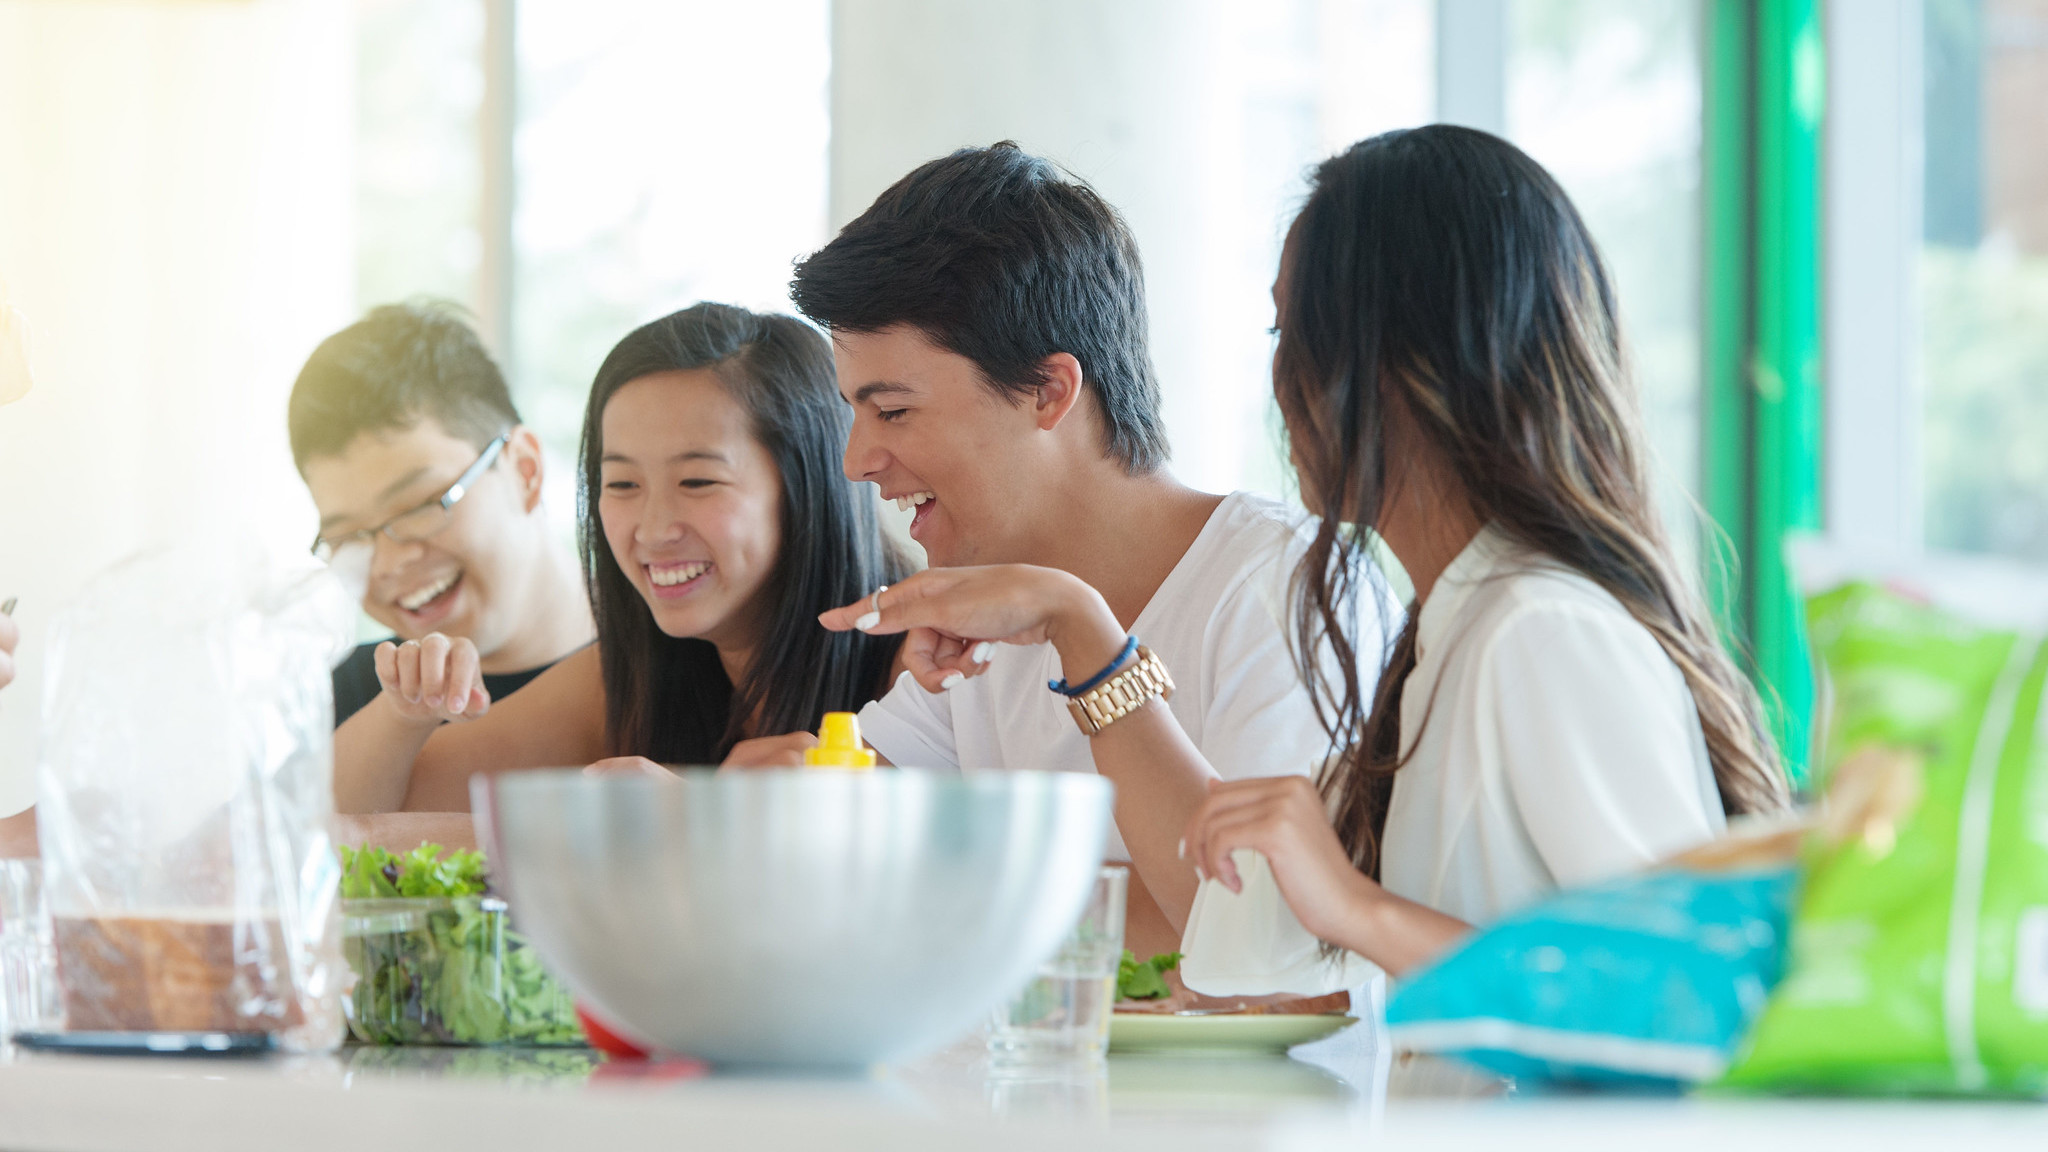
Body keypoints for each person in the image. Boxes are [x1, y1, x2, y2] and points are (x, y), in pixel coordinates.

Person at [834, 126, 1792, 987]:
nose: (1280, 381)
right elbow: (1234, 945)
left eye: (1294, 333)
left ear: (1405, 364)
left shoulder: (1539, 629)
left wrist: (1361, 911)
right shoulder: (1445, 637)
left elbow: (1688, 1000)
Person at [746, 142, 1399, 961]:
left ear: (1050, 391)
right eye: (855, 412)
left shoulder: (1292, 591)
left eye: (895, 412)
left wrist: (952, 891)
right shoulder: (979, 617)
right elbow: (845, 855)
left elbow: (1252, 940)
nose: (855, 461)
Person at [332, 302, 909, 815]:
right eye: (623, 485)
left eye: (698, 481)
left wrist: (707, 818)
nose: (654, 530)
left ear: (810, 484)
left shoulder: (927, 659)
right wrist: (404, 713)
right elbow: (360, 815)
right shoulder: (631, 675)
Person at [290, 302, 593, 726]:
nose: (391, 563)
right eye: (351, 536)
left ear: (525, 470)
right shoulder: (340, 711)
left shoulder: (692, 660)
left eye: (417, 506)